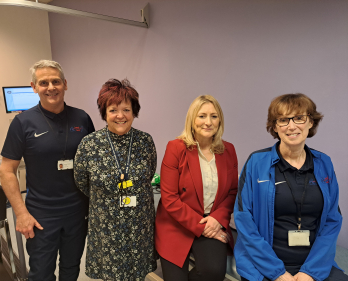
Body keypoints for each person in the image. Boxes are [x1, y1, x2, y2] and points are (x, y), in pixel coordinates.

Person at [234, 93, 347, 281]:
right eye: (283, 120)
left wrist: (309, 272)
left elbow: (332, 220)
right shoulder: (256, 162)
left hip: (312, 263)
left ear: (311, 122)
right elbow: (244, 219)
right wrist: (277, 273)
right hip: (263, 264)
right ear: (275, 126)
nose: (291, 126)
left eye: (299, 118)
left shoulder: (323, 163)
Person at [0, 60, 95, 281]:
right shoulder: (22, 123)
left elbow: (94, 162)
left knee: (71, 270)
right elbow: (6, 171)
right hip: (41, 215)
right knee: (41, 274)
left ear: (65, 84)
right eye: (44, 83)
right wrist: (21, 214)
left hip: (77, 212)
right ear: (34, 87)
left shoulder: (82, 118)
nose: (50, 87)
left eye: (56, 81)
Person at [74, 78, 157, 280]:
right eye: (113, 110)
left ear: (134, 112)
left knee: (137, 275)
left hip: (139, 223)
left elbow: (148, 174)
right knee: (110, 275)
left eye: (126, 110)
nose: (120, 116)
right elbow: (81, 181)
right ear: (104, 113)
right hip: (105, 224)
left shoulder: (145, 141)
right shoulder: (90, 144)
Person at [155, 95, 238, 281]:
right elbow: (170, 198)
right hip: (176, 223)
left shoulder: (229, 150)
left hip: (212, 221)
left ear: (220, 120)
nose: (208, 122)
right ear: (192, 120)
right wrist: (203, 228)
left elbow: (232, 192)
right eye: (202, 116)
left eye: (214, 116)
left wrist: (217, 220)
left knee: (213, 273)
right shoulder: (176, 148)